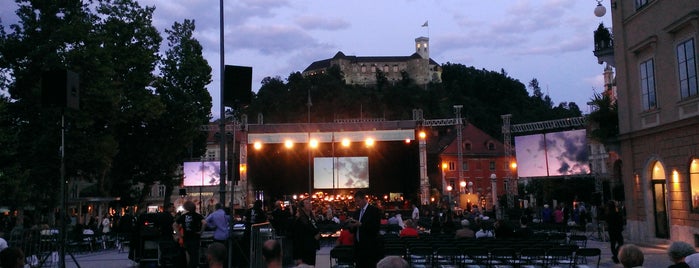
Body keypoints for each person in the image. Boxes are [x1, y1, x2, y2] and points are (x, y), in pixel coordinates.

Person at [347, 190, 382, 268]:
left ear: (364, 199)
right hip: (358, 248)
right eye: (355, 202)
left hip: (370, 248)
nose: (357, 204)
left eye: (358, 201)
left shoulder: (374, 211)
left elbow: (375, 228)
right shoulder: (357, 212)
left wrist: (361, 224)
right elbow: (353, 231)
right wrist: (351, 226)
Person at [175, 200, 206, 268]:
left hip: (186, 238)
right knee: (194, 257)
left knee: (189, 255)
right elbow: (204, 223)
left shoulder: (183, 216)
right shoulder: (197, 215)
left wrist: (179, 235)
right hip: (195, 238)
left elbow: (174, 224)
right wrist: (201, 231)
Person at [291, 198, 320, 266]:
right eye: (307, 203)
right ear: (302, 207)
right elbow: (297, 238)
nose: (310, 204)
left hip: (311, 248)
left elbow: (316, 229)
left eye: (310, 202)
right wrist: (298, 257)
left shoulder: (311, 218)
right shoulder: (300, 220)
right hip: (303, 250)